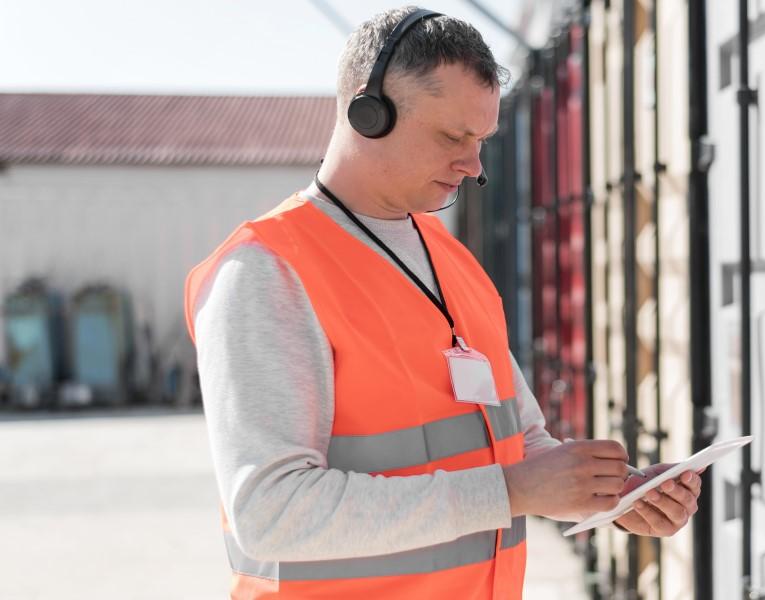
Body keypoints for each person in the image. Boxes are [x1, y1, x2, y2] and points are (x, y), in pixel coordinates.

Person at [184, 7, 702, 599]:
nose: (474, 165)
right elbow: (271, 513)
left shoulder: (451, 261)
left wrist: (612, 492)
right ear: (367, 113)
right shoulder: (266, 273)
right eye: (452, 137)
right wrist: (512, 491)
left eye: (481, 140)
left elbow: (518, 444)